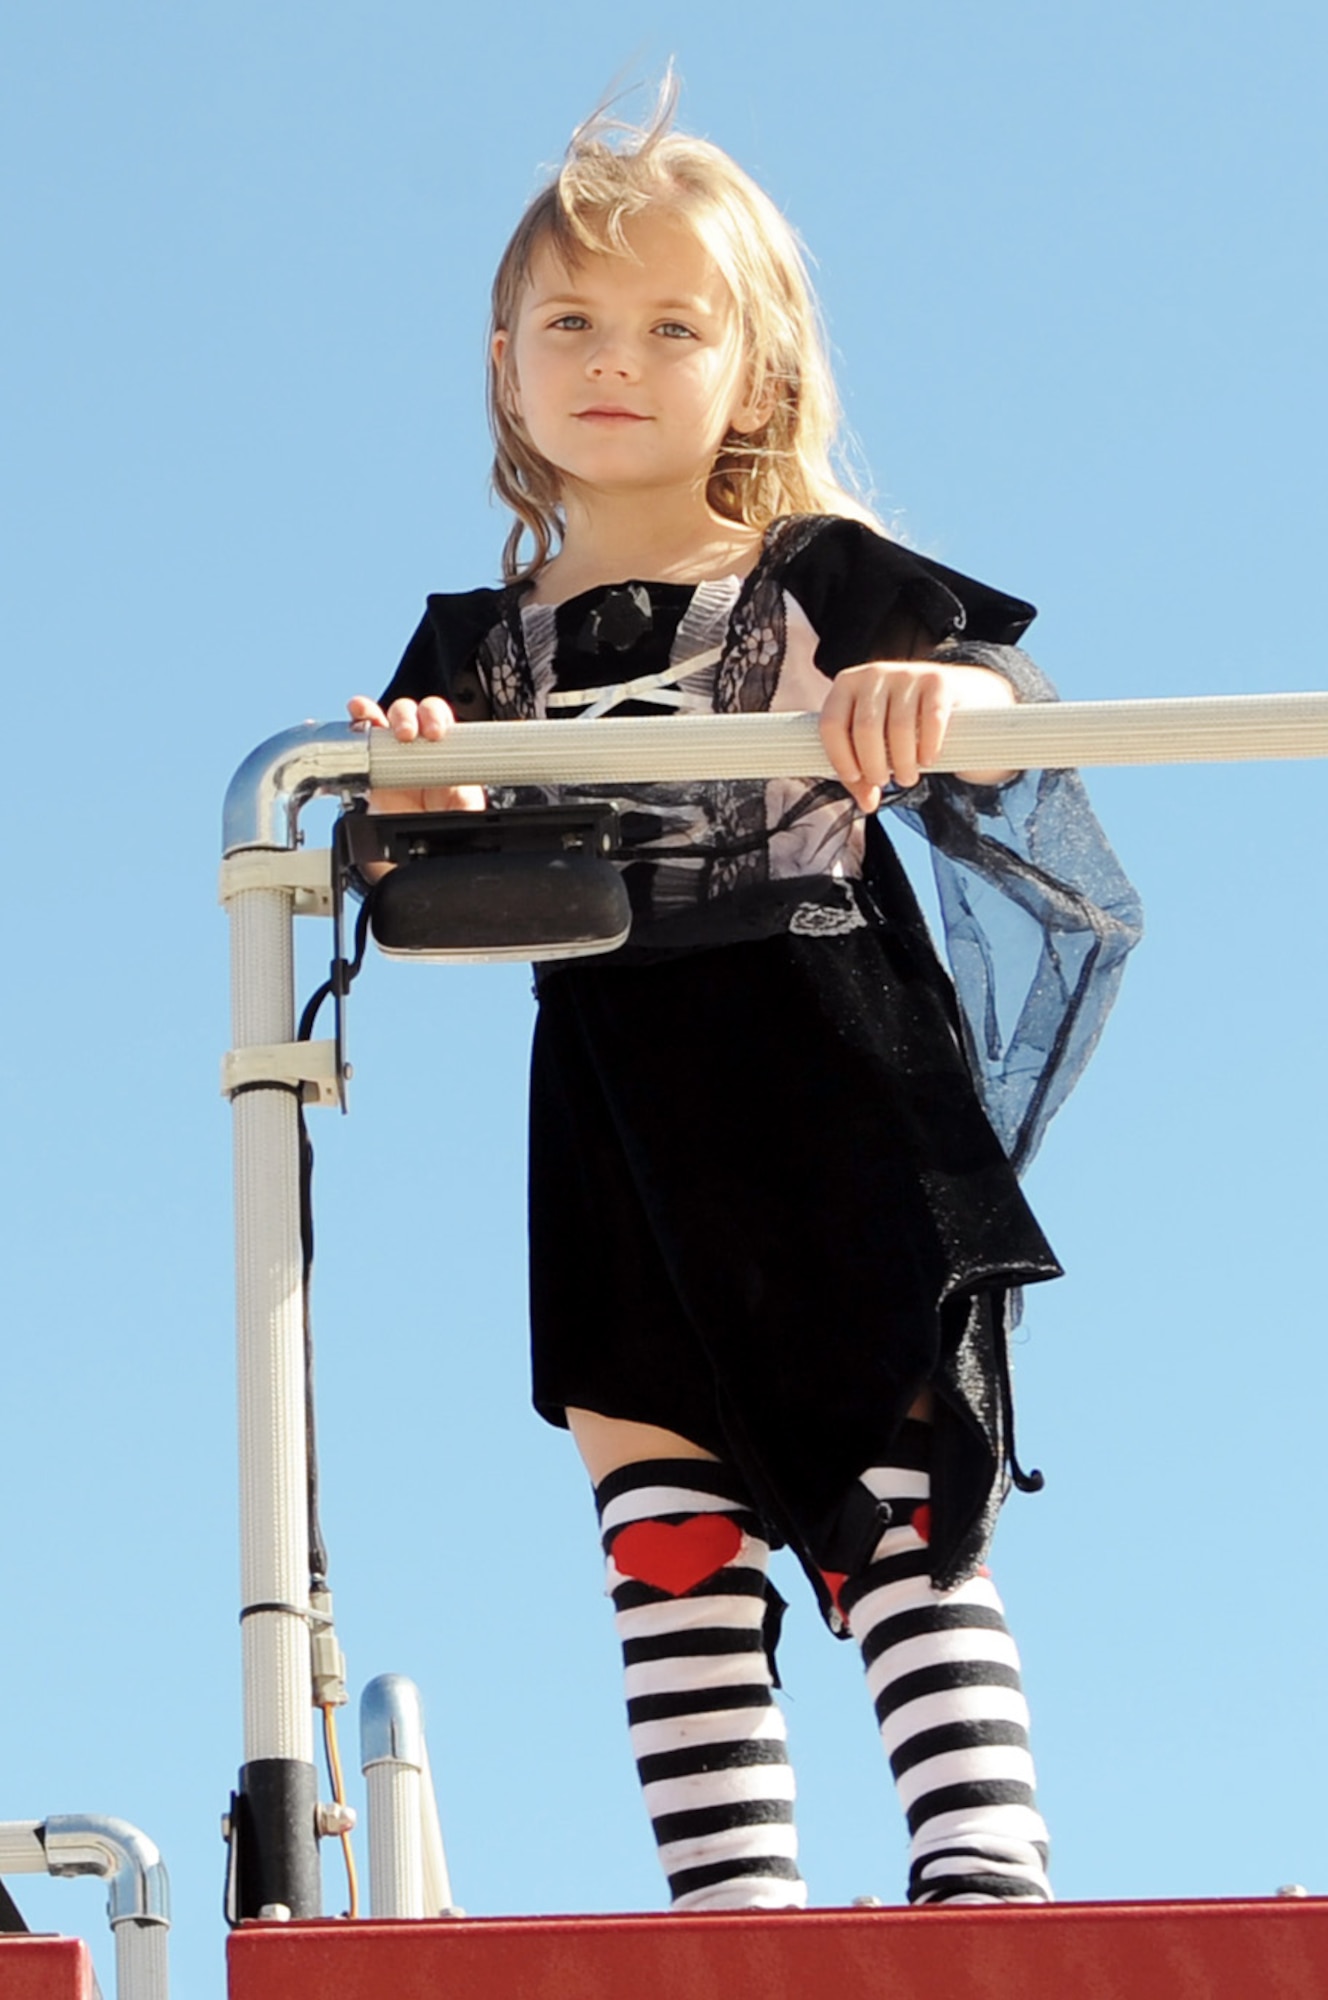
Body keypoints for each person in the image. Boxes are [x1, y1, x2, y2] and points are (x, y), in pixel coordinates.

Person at [347, 86, 1141, 1915]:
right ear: (504, 364)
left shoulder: (817, 579)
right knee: (665, 1509)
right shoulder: (468, 648)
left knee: (894, 1475)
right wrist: (419, 801)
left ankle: (982, 1865)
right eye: (573, 324)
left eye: (671, 326)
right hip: (619, 1086)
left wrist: (937, 706)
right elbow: (411, 887)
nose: (614, 359)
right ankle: (734, 1899)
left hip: (831, 1051)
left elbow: (1013, 702)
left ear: (755, 371)